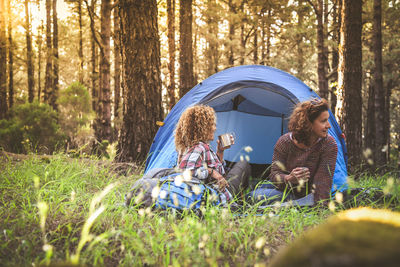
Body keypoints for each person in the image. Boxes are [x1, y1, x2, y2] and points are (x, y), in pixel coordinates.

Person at [248, 98, 338, 205]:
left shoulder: (328, 144)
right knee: (253, 192)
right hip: (284, 187)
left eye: (327, 120)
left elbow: (323, 184)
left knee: (254, 197)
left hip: (305, 195)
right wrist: (289, 178)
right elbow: (274, 175)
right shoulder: (284, 142)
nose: (329, 125)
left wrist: (321, 207)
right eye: (323, 121)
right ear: (308, 123)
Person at [175, 105, 251, 204]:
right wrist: (212, 172)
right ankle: (245, 200)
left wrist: (220, 151)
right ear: (202, 127)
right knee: (244, 164)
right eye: (212, 124)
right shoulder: (198, 148)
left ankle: (241, 200)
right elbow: (185, 172)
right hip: (221, 195)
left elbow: (217, 169)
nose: (215, 128)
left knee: (241, 166)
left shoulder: (189, 146)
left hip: (218, 189)